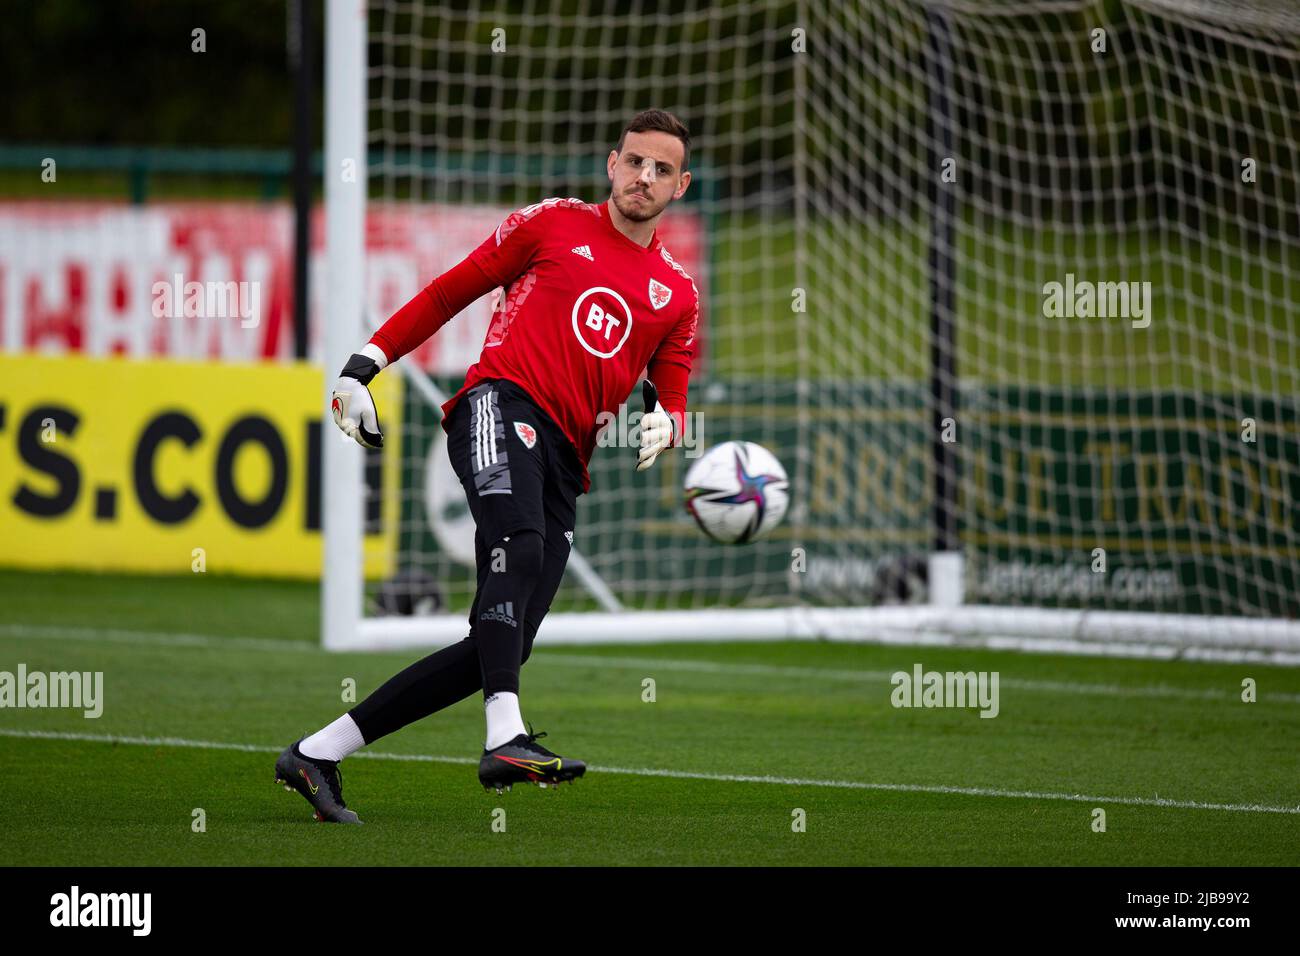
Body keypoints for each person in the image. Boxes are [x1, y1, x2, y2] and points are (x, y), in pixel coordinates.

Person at [275, 109, 699, 822]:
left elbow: (675, 376)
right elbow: (451, 291)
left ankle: (316, 753)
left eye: (661, 170)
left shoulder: (677, 292)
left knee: (498, 645)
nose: (644, 178)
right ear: (611, 162)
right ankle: (506, 737)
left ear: (681, 186)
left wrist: (674, 420)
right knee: (519, 548)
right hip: (497, 408)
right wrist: (362, 366)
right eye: (635, 162)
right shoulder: (552, 223)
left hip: (569, 457)